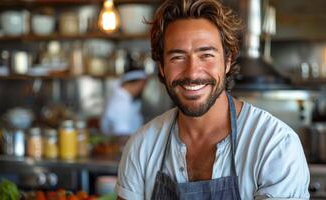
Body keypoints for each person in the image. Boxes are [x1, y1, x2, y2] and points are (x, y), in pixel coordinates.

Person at [115, 0, 310, 199]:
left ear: (227, 61)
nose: (192, 72)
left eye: (206, 55)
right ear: (162, 68)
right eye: (177, 57)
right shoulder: (141, 146)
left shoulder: (274, 145)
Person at [100, 69, 147, 135]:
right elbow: (122, 135)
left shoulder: (121, 97)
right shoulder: (121, 103)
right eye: (142, 85)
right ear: (138, 83)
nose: (143, 88)